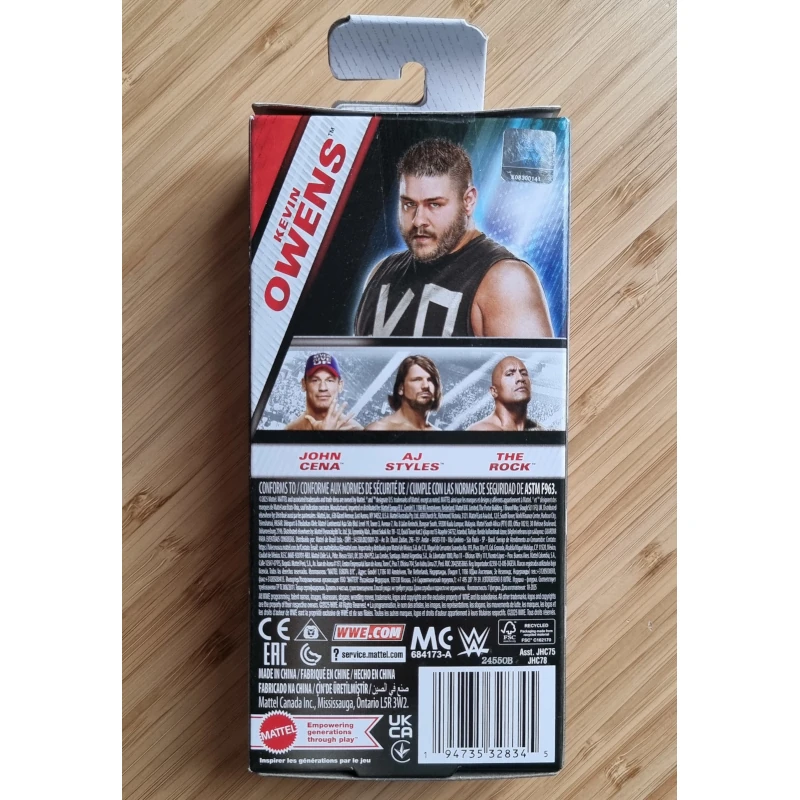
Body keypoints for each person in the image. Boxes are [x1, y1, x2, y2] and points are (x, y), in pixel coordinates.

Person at [354, 138, 554, 338]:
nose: (418, 220)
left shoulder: (506, 280)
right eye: (409, 204)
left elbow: (531, 360)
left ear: (468, 201)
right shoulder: (381, 273)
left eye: (434, 204)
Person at [285, 353, 362, 431]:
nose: (323, 388)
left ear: (340, 385)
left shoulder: (356, 429)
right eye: (315, 380)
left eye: (330, 380)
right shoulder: (291, 429)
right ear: (304, 384)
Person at [366, 355, 442, 431]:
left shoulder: (438, 432)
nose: (425, 385)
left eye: (430, 380)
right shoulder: (379, 429)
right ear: (401, 388)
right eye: (417, 379)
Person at [468, 356, 542, 431]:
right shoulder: (481, 430)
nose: (520, 378)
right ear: (494, 391)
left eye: (524, 373)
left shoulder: (539, 429)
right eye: (510, 374)